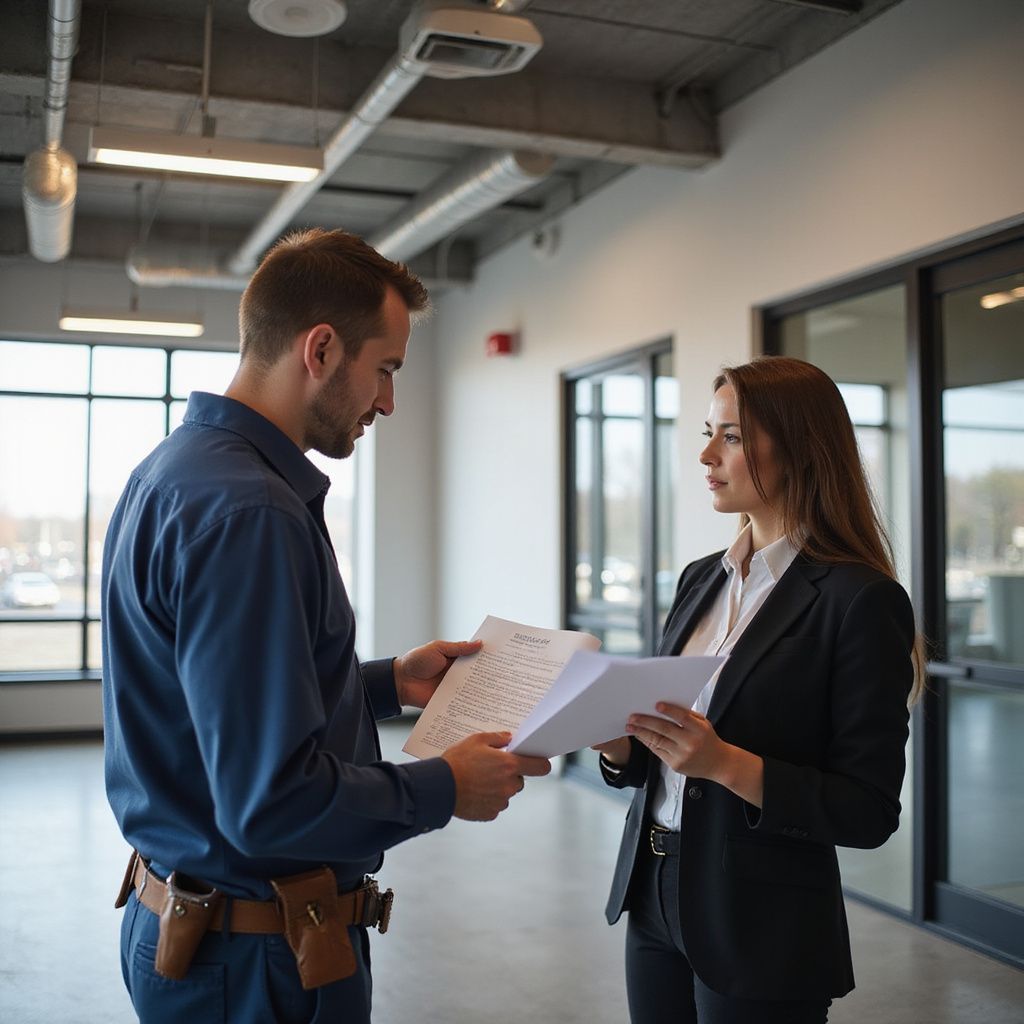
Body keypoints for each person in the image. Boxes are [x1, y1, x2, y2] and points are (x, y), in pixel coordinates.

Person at [102, 227, 550, 1024]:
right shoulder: (251, 512)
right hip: (255, 964)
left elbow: (204, 705)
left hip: (192, 926)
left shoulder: (175, 472)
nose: (387, 401)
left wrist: (383, 683)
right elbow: (270, 802)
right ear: (320, 350)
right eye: (385, 370)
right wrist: (447, 785)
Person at [595, 356, 921, 1024]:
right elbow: (665, 762)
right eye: (708, 433)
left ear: (801, 447)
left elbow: (868, 810)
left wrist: (726, 764)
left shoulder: (859, 600)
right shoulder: (698, 580)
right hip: (653, 893)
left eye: (733, 437)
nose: (707, 454)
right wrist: (619, 748)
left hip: (763, 919)